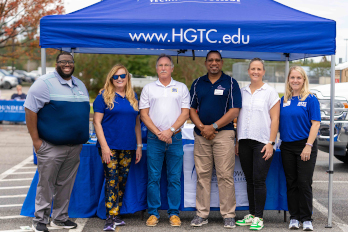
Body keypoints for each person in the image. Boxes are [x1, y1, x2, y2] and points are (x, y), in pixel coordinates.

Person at [24, 51, 90, 232]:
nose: (66, 65)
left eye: (69, 62)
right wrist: (36, 141)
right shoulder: (43, 84)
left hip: (74, 147)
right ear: (57, 63)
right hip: (51, 146)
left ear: (73, 63)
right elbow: (30, 111)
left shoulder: (80, 84)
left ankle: (60, 218)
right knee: (46, 184)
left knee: (65, 185)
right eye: (63, 62)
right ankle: (40, 220)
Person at [189, 50, 242, 228]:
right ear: (206, 63)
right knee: (202, 175)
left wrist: (214, 127)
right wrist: (203, 128)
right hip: (202, 135)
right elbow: (191, 110)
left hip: (224, 134)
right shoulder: (197, 83)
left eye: (217, 60)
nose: (214, 63)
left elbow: (234, 111)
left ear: (222, 63)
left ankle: (228, 215)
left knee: (225, 176)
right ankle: (201, 214)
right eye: (210, 60)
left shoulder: (231, 83)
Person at [139, 54, 190, 227]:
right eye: (160, 65)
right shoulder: (148, 88)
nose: (163, 68)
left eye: (166, 65)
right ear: (156, 68)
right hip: (155, 139)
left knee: (174, 178)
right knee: (153, 177)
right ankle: (153, 213)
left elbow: (185, 113)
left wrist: (170, 131)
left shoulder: (181, 87)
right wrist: (159, 133)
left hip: (175, 139)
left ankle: (174, 213)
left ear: (172, 68)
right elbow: (144, 114)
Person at [93, 64, 142, 231]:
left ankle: (116, 214)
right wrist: (105, 147)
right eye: (116, 76)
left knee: (122, 180)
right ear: (111, 79)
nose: (120, 79)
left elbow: (137, 123)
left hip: (128, 146)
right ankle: (110, 216)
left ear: (127, 77)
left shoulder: (132, 96)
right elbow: (97, 122)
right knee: (112, 179)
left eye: (123, 76)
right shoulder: (103, 97)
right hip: (110, 146)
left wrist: (139, 146)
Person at [236, 58, 280, 231]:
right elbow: (237, 117)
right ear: (248, 71)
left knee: (259, 180)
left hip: (263, 142)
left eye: (259, 69)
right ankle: (253, 214)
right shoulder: (242, 91)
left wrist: (271, 142)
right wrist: (237, 141)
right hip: (244, 141)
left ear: (263, 72)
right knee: (249, 180)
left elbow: (275, 118)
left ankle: (259, 218)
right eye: (253, 69)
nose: (255, 71)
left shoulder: (270, 92)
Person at [279, 66, 320, 231]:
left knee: (304, 183)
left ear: (304, 80)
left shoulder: (310, 99)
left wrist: (308, 146)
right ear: (288, 80)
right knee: (292, 183)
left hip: (305, 145)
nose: (295, 81)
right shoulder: (283, 100)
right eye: (292, 77)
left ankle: (306, 219)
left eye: (298, 78)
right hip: (287, 147)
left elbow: (316, 123)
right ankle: (294, 217)